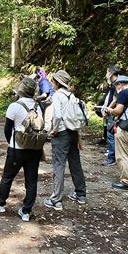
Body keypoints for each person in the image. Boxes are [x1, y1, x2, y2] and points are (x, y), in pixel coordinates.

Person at [0, 77, 43, 222]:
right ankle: (26, 211)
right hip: (35, 148)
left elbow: (7, 128)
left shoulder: (15, 106)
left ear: (21, 90)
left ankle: (0, 203)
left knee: (7, 177)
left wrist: (11, 142)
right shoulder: (38, 106)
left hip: (17, 149)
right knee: (31, 181)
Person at [44, 70, 87, 210]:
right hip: (73, 132)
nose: (52, 83)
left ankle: (56, 200)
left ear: (57, 82)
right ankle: (81, 194)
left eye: (53, 81)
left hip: (61, 133)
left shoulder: (57, 96)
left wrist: (54, 129)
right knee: (75, 162)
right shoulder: (72, 96)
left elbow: (57, 115)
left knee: (59, 164)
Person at [104, 75, 128, 190]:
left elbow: (118, 111)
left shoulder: (124, 93)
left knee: (122, 155)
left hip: (123, 127)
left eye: (116, 85)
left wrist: (110, 110)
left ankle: (126, 181)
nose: (116, 88)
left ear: (120, 84)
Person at [100, 65, 120, 166]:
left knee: (111, 134)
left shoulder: (117, 84)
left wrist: (107, 109)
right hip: (113, 111)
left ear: (111, 73)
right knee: (111, 134)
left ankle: (111, 158)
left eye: (107, 72)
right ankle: (113, 156)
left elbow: (115, 99)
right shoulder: (114, 84)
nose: (106, 74)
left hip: (114, 112)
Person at [34, 68, 55, 133]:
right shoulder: (43, 81)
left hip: (49, 103)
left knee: (47, 119)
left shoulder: (43, 82)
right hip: (46, 103)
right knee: (46, 119)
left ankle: (47, 135)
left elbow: (44, 95)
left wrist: (36, 98)